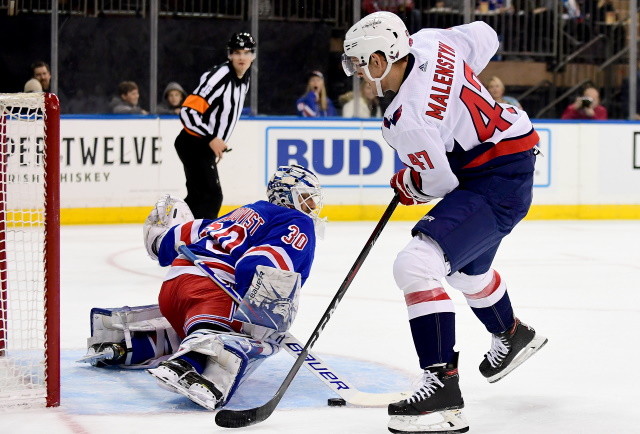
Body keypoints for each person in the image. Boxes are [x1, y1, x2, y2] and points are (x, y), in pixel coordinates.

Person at [342, 12, 548, 433]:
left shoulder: (406, 117)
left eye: (362, 63)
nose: (359, 73)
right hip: (509, 161)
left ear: (382, 60)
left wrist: (408, 182)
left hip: (492, 180)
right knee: (469, 272)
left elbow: (438, 181)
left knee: (416, 264)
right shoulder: (433, 41)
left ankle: (441, 391)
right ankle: (511, 334)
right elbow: (487, 34)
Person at [79, 164, 324, 411]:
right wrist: (264, 314)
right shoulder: (297, 221)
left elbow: (169, 243)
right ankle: (186, 363)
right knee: (245, 336)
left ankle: (133, 346)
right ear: (287, 196)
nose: (312, 207)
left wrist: (163, 240)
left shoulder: (247, 211)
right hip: (209, 291)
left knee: (195, 327)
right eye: (307, 198)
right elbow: (258, 265)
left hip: (173, 288)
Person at [176, 32, 256, 219]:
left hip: (202, 146)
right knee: (211, 196)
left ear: (253, 55)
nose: (241, 57)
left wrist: (214, 142)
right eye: (237, 52)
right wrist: (211, 139)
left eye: (246, 52)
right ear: (229, 55)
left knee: (200, 196)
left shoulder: (244, 77)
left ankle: (174, 232)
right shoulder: (219, 77)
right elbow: (188, 111)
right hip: (193, 143)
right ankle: (196, 241)